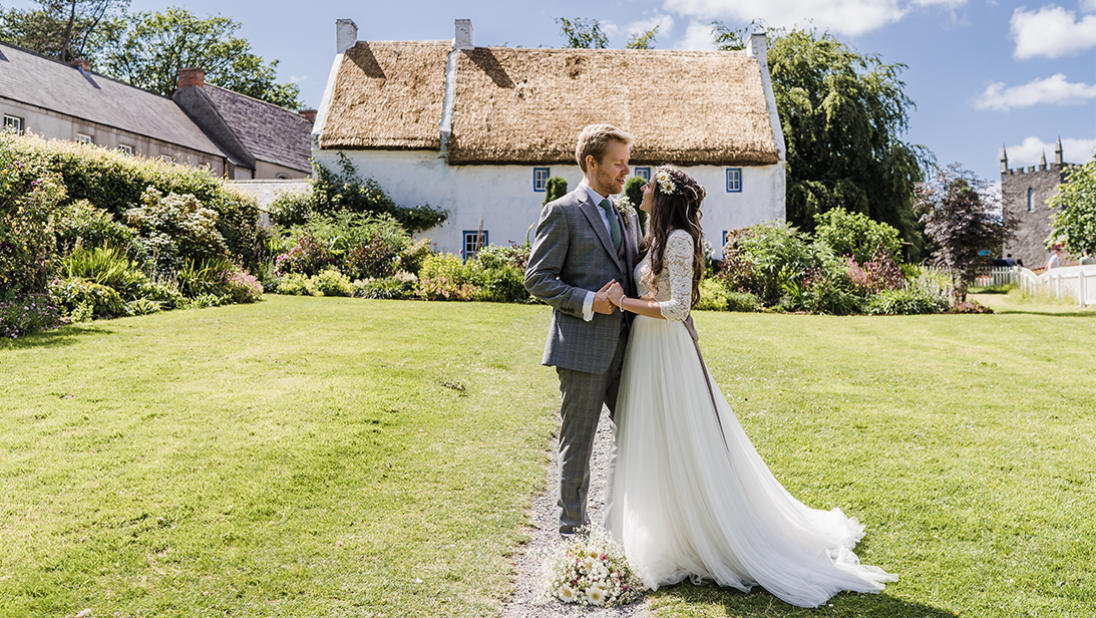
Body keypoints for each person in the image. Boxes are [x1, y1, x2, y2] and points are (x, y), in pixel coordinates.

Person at [604, 165, 897, 608]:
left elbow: (677, 306)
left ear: (662, 196)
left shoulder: (679, 239)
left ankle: (702, 529)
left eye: (649, 184)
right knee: (656, 437)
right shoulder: (656, 240)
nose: (641, 188)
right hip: (649, 348)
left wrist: (621, 301)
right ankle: (667, 527)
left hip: (667, 349)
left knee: (684, 436)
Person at [524, 124, 642, 536]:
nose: (626, 172)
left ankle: (618, 521)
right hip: (581, 347)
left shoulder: (626, 212)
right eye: (618, 164)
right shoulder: (562, 212)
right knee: (579, 441)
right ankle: (572, 526)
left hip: (630, 347)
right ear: (591, 163)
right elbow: (537, 278)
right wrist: (591, 301)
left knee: (636, 433)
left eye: (628, 163)